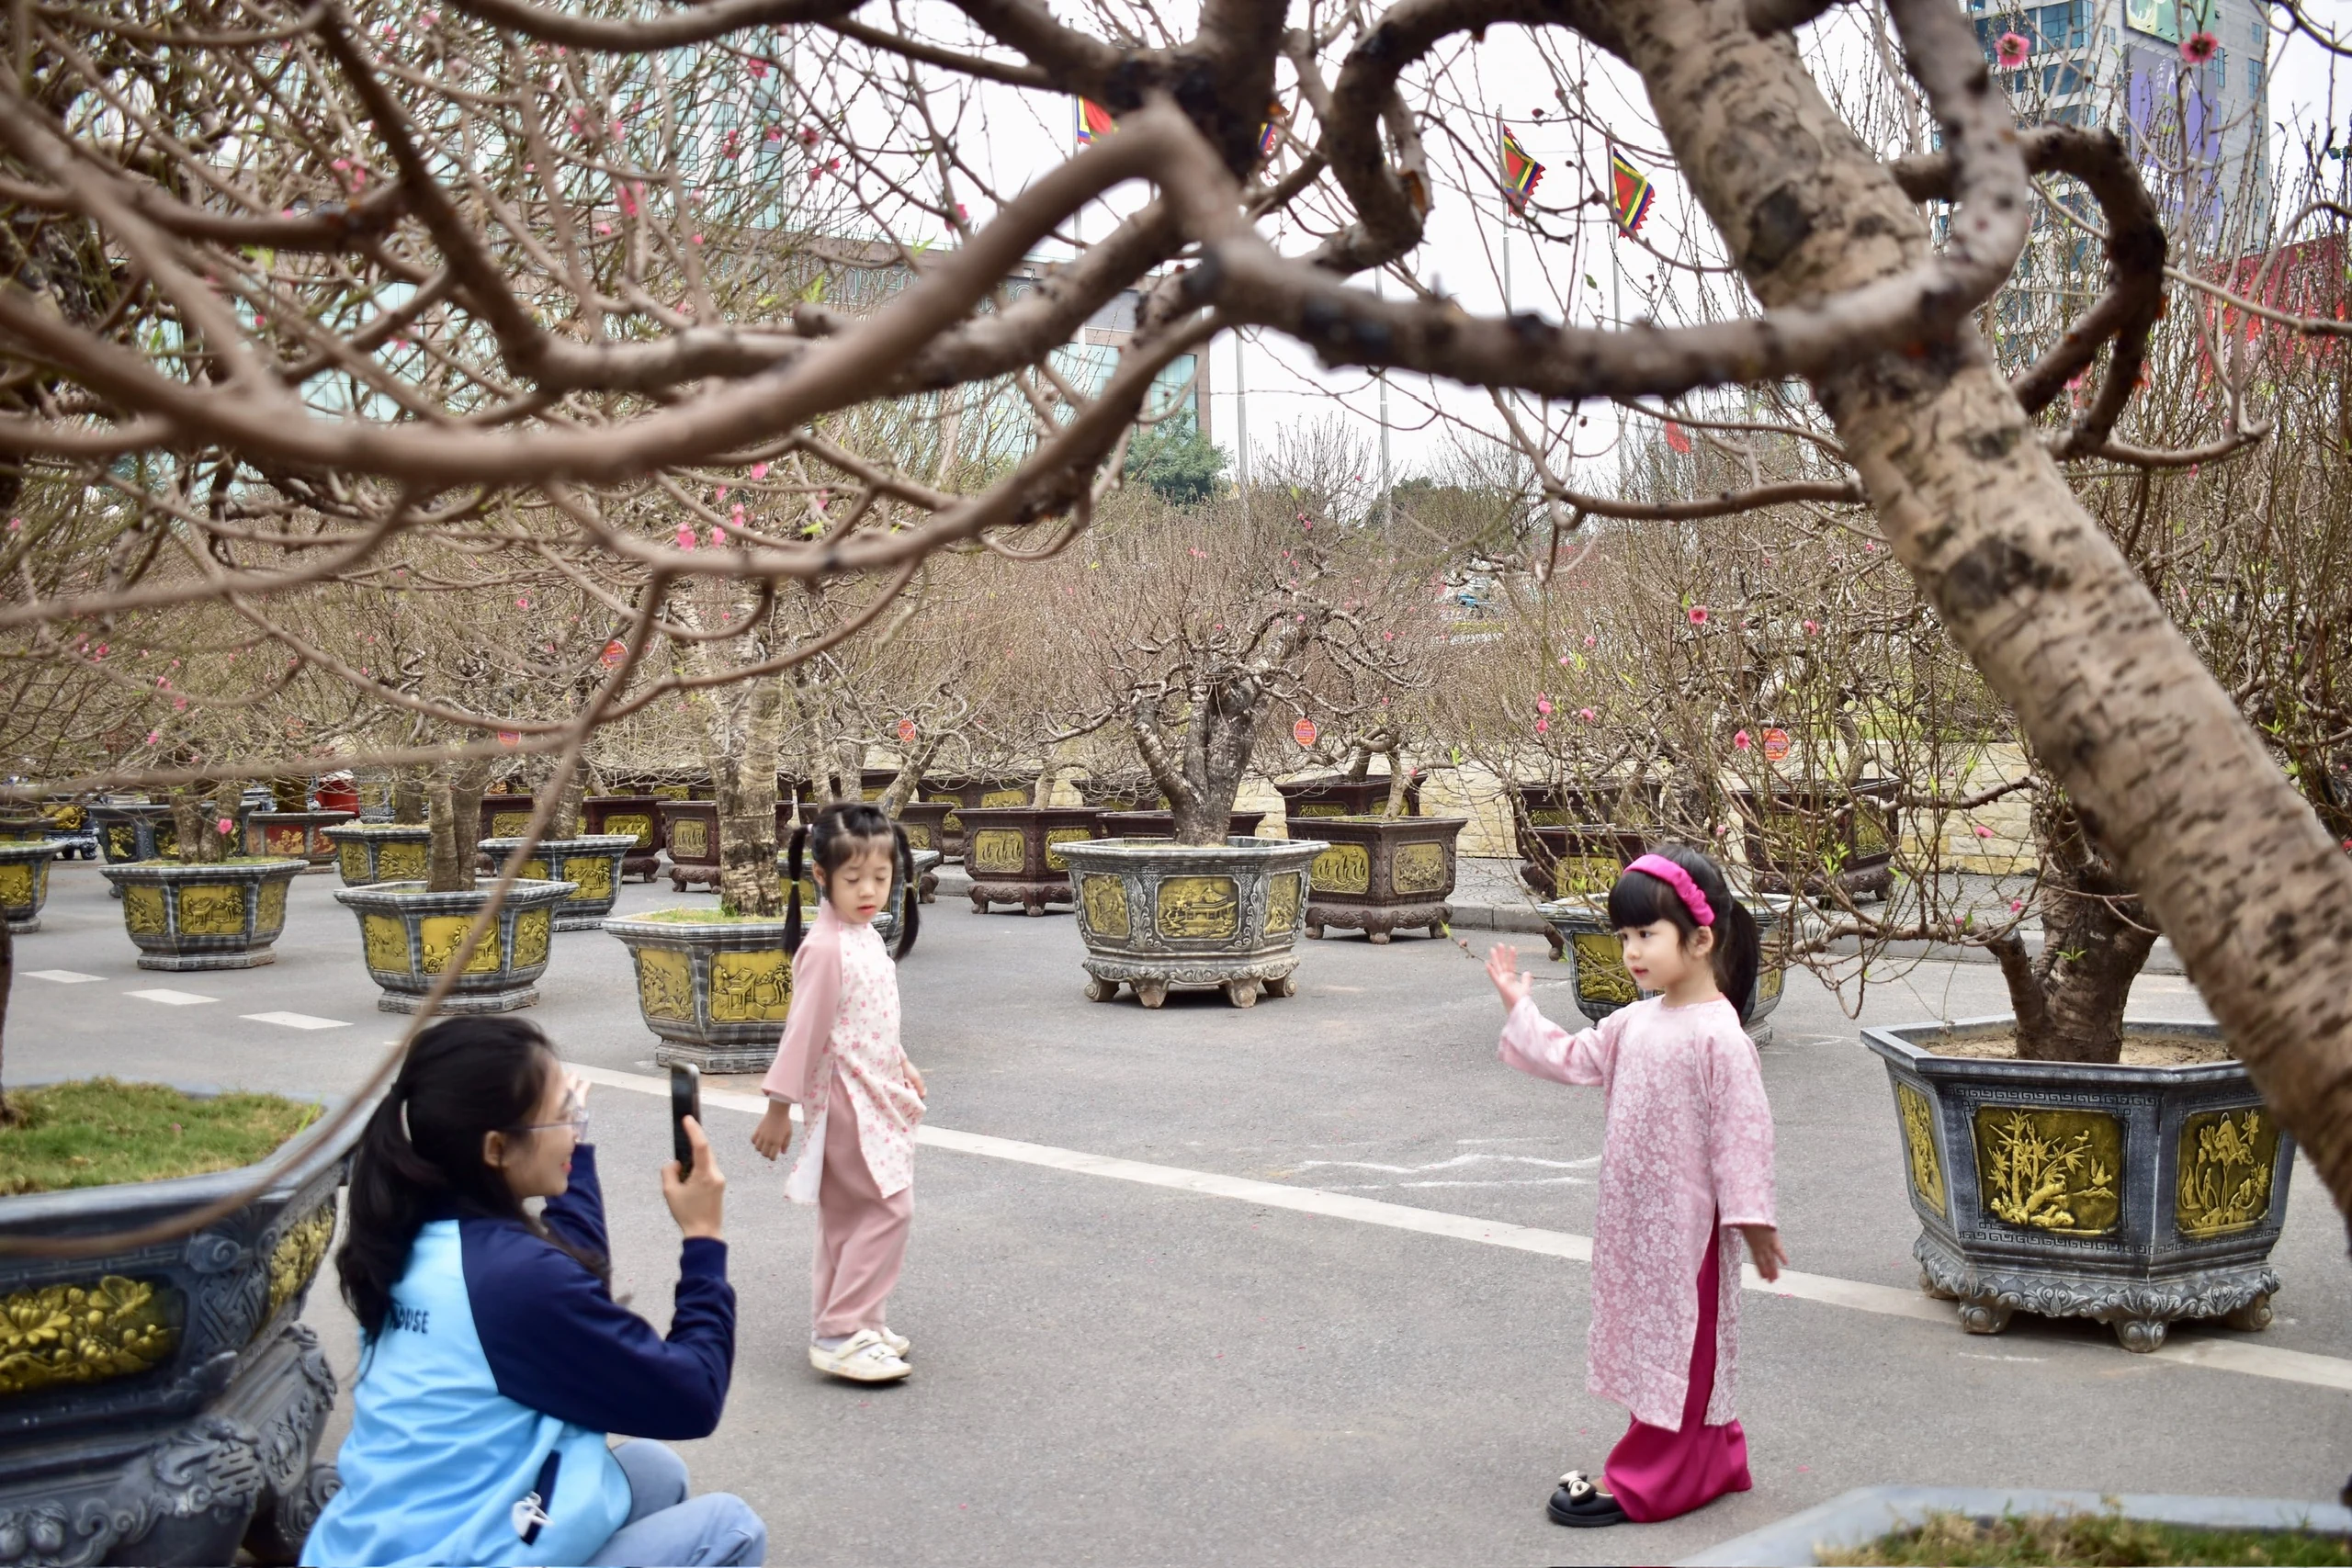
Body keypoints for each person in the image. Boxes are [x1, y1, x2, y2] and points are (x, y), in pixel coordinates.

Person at [304, 1017, 765, 1567]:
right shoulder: (513, 1279)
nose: (574, 1127)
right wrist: (704, 1240)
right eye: (561, 1118)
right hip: (454, 1555)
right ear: (497, 1148)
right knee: (731, 1528)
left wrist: (572, 1149)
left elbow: (572, 1283)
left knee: (651, 1472)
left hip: (381, 1543)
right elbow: (693, 1397)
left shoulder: (410, 1238)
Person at [1484, 844, 1785, 1530]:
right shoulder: (1632, 1022)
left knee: (1685, 1340)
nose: (1631, 951)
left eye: (1646, 934)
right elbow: (1569, 1057)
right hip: (1634, 1221)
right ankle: (1717, 1455)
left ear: (1701, 938)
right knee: (1656, 1340)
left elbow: (1743, 1133)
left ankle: (1650, 1477)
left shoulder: (1720, 1037)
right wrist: (1520, 1008)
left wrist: (1753, 1220)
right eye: (1624, 936)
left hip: (1690, 1229)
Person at [751, 800, 927, 1383]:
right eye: (854, 879)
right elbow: (803, 1032)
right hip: (849, 1097)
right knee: (888, 1207)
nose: (870, 889)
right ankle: (842, 1330)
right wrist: (779, 1107)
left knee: (850, 1216)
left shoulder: (863, 935)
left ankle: (853, 1324)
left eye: (881, 877)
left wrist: (901, 1060)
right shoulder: (826, 948)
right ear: (821, 876)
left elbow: (866, 1014)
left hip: (875, 1088)